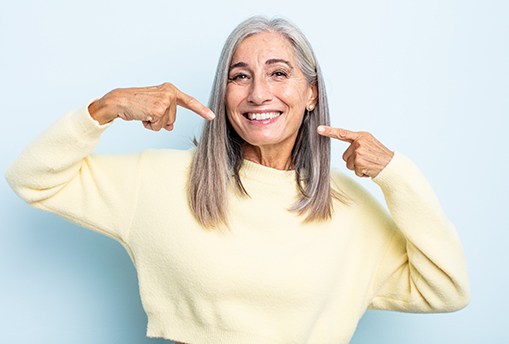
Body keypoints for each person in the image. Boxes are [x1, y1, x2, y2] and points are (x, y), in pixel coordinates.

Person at [6, 16, 470, 344]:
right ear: (223, 94)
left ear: (311, 94)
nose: (258, 93)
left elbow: (446, 290)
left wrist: (395, 173)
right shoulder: (162, 182)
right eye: (239, 76)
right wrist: (104, 107)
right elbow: (33, 179)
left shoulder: (346, 209)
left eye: (279, 73)